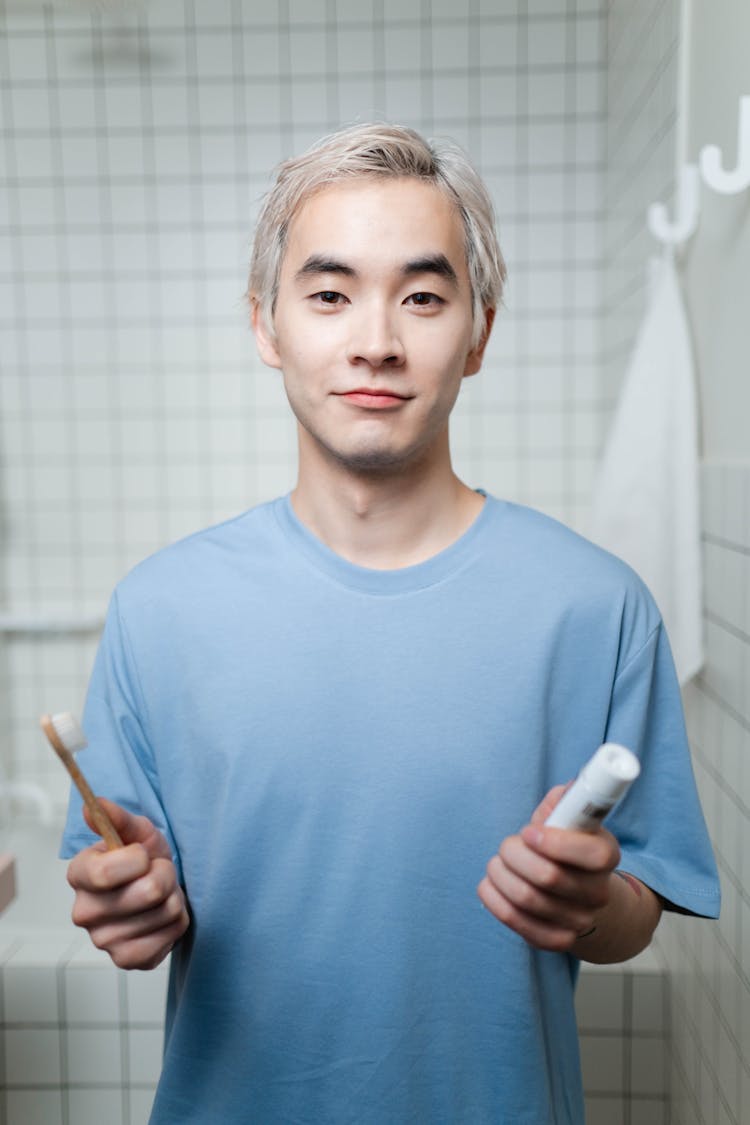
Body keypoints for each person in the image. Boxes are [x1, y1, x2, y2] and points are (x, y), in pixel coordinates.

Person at [61, 123, 720, 1124]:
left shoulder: (597, 606)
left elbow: (639, 911)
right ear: (266, 326)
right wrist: (129, 909)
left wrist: (592, 907)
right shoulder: (159, 611)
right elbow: (120, 904)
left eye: (423, 295)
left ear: (481, 331)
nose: (376, 339)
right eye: (329, 295)